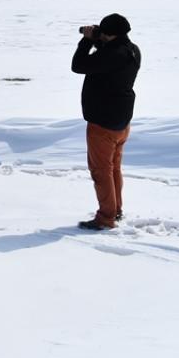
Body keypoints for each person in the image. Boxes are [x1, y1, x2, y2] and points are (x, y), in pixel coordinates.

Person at [71, 13, 141, 230]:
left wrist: (86, 41)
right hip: (122, 121)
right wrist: (99, 41)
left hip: (102, 122)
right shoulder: (132, 50)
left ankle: (106, 218)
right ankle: (115, 210)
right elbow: (107, 62)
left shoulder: (111, 54)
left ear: (109, 34)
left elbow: (78, 65)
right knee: (113, 168)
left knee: (101, 171)